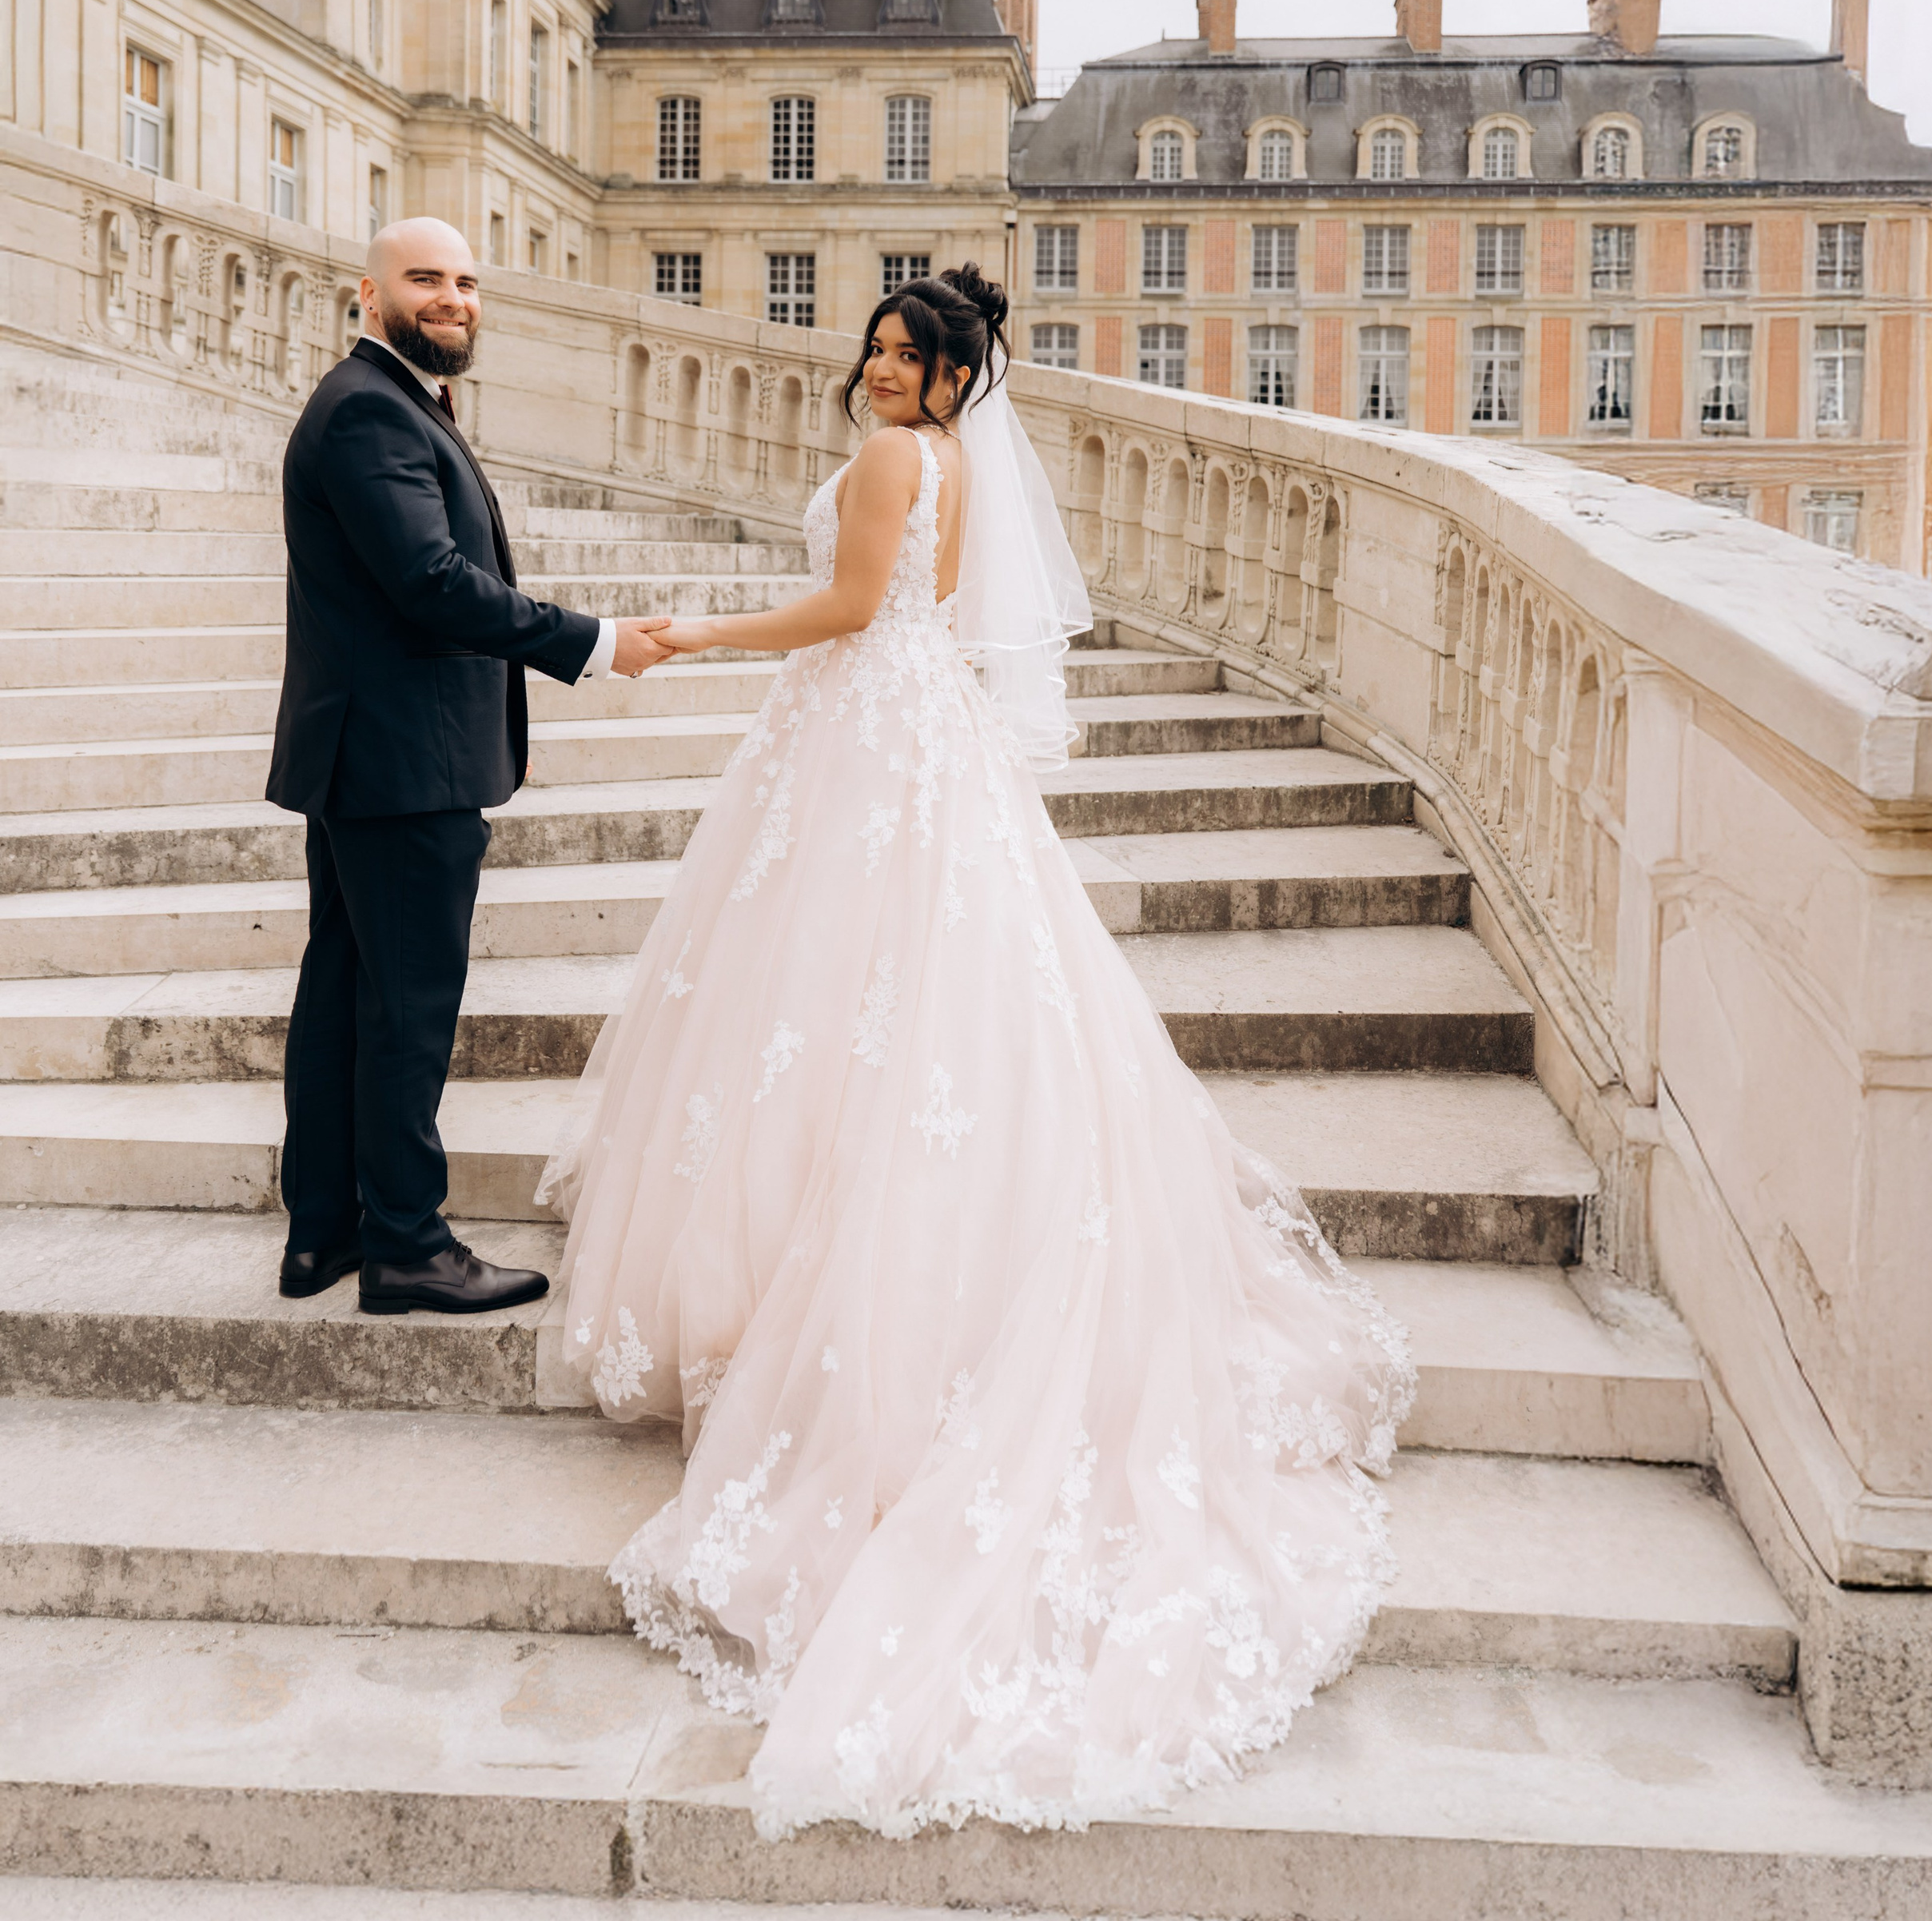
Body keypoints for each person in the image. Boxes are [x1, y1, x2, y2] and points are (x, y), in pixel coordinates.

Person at [540, 263, 1414, 1839]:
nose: (880, 372)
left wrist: (692, 631)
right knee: (899, 1019)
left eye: (909, 354)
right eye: (871, 349)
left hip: (865, 729)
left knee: (835, 1016)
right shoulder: (945, 458)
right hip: (900, 738)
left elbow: (850, 609)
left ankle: (809, 1316)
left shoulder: (897, 461)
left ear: (954, 376)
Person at [266, 218, 677, 1315]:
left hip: (379, 757)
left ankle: (326, 1231)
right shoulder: (366, 409)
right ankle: (406, 1247)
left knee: (350, 989)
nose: (453, 297)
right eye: (426, 279)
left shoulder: (394, 401)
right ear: (369, 293)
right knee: (406, 1008)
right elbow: (435, 583)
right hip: (404, 765)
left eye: (466, 281)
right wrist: (591, 642)